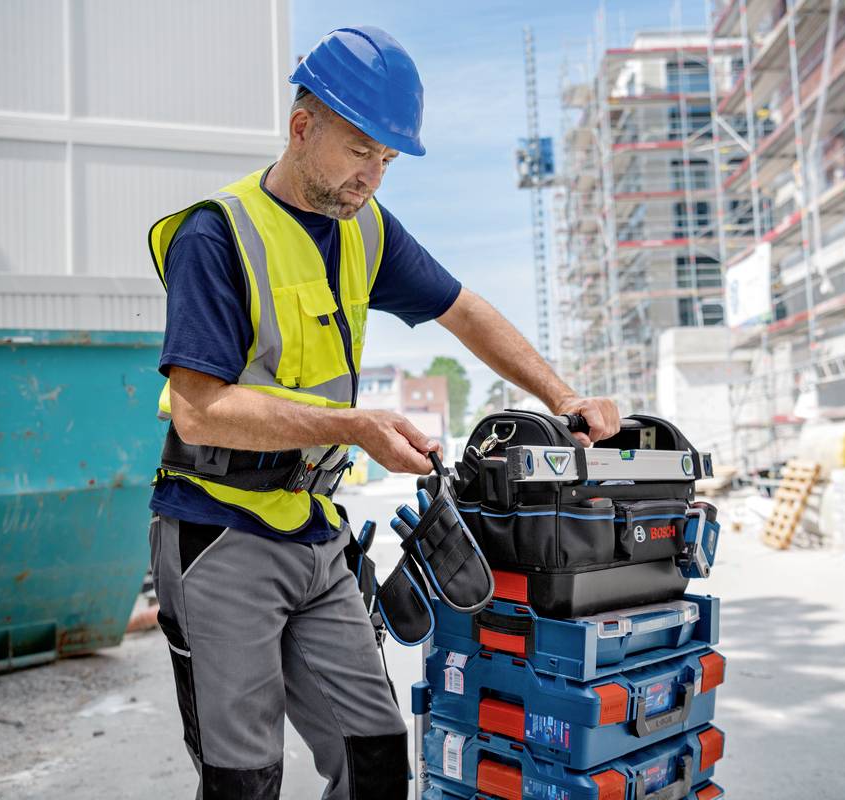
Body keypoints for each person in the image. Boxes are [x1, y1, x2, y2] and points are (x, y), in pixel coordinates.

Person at [145, 26, 621, 800]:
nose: (373, 175)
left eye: (388, 160)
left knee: (375, 756)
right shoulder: (216, 235)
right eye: (361, 150)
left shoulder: (364, 229)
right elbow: (199, 413)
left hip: (313, 529)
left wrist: (561, 396)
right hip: (218, 532)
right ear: (304, 128)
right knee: (245, 777)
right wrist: (353, 427)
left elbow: (464, 312)